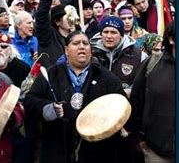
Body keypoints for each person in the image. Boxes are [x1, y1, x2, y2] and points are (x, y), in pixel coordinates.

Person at [24, 31, 129, 163]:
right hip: (57, 150)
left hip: (97, 152)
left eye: (85, 43)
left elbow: (121, 107)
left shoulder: (107, 78)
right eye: (76, 43)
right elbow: (30, 100)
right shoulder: (51, 74)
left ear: (91, 50)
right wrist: (47, 108)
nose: (81, 47)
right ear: (66, 50)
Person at [130, 21, 175, 163]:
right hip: (157, 152)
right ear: (172, 39)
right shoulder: (152, 64)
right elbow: (136, 101)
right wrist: (138, 137)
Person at [90, 16, 148, 97]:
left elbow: (143, 84)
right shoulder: (91, 53)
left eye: (113, 32)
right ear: (101, 34)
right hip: (96, 105)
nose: (109, 36)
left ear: (121, 35)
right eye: (105, 32)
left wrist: (124, 94)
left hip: (126, 105)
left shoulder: (139, 56)